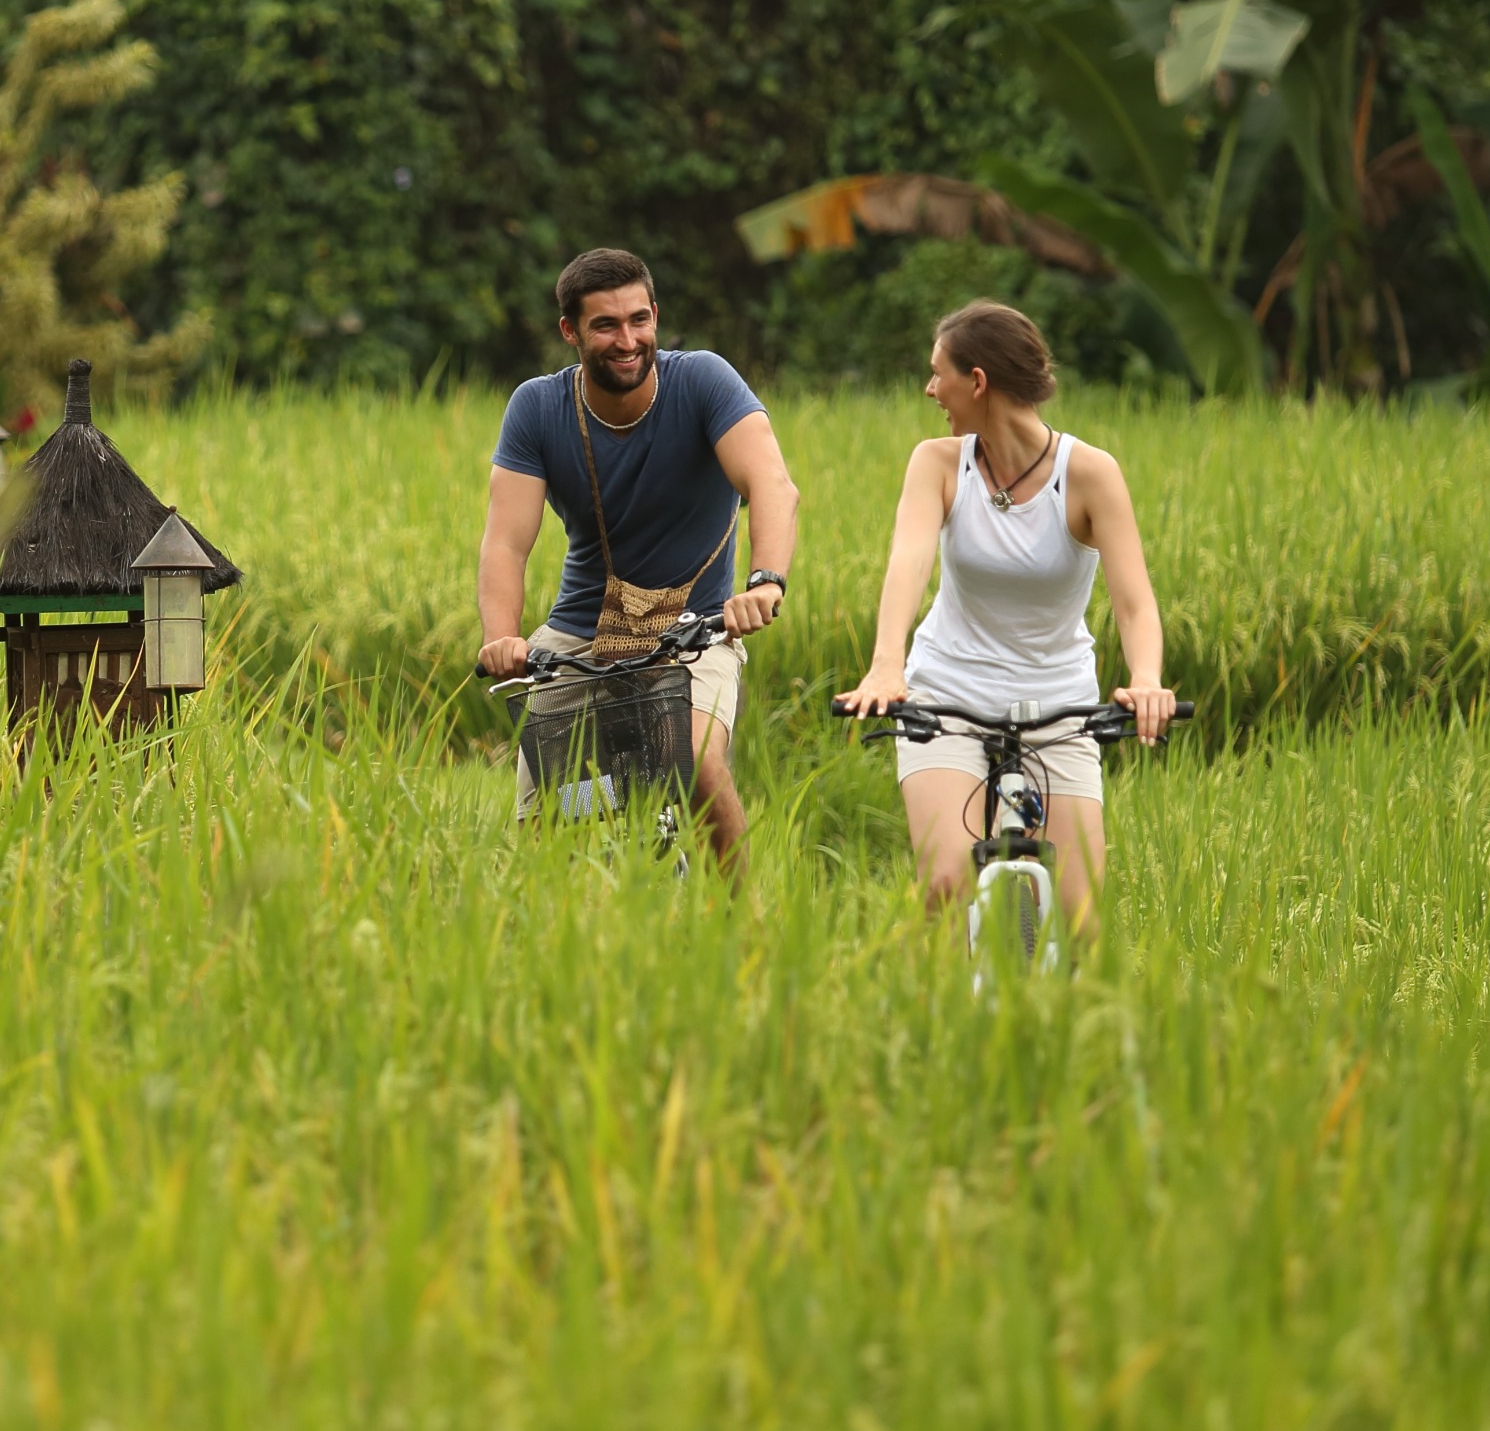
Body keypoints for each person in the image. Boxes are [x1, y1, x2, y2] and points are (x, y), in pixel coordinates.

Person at [833, 300, 1175, 936]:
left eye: (939, 374)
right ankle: (937, 1022)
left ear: (978, 381)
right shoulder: (937, 463)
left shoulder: (1090, 474)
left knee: (1081, 923)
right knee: (945, 885)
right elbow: (907, 565)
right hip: (949, 697)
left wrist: (1147, 678)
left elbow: (1134, 600)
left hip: (1057, 705)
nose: (930, 388)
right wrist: (886, 667)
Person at [476, 248, 801, 867]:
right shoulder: (538, 408)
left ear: (654, 315)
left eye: (638, 321)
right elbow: (506, 542)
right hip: (579, 636)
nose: (627, 340)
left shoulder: (703, 380)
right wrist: (503, 639)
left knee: (698, 764)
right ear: (570, 331)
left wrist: (764, 583)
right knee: (547, 820)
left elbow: (772, 486)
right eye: (605, 325)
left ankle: (743, 931)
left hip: (694, 631)